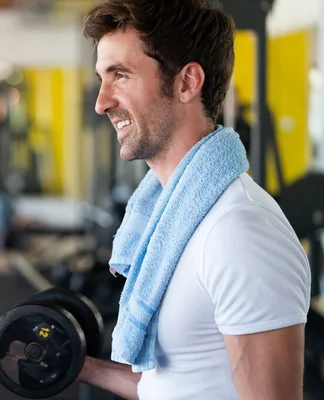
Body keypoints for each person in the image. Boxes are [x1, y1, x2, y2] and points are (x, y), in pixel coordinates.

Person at [76, 1, 311, 399]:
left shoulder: (239, 231)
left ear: (187, 83)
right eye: (103, 77)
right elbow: (176, 384)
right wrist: (79, 367)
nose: (102, 102)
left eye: (120, 75)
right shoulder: (168, 221)